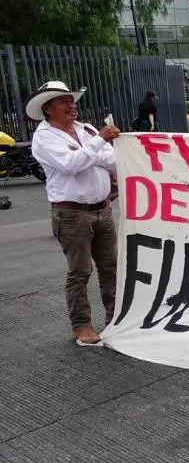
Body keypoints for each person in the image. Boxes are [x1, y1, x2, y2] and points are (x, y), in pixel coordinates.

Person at [27, 81, 120, 346]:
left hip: (102, 208)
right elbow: (70, 165)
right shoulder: (44, 137)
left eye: (72, 100)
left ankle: (114, 318)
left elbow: (111, 159)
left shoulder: (86, 130)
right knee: (80, 271)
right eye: (63, 102)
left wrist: (91, 151)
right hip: (72, 213)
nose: (71, 106)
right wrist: (98, 144)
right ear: (48, 109)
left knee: (110, 267)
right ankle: (81, 325)